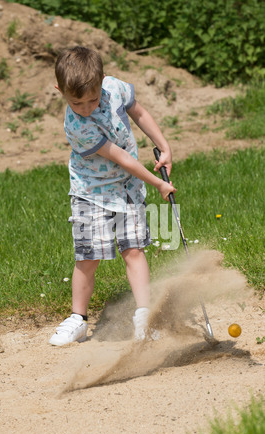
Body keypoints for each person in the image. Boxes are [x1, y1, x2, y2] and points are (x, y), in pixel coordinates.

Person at [49, 46, 176, 346]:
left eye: (93, 99)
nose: (86, 107)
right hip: (90, 193)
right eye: (76, 102)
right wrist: (158, 183)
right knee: (88, 257)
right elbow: (122, 159)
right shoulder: (76, 124)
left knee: (134, 250)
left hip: (128, 191)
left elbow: (140, 112)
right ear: (60, 91)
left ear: (103, 81)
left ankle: (144, 318)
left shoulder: (115, 88)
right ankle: (78, 319)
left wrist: (164, 145)